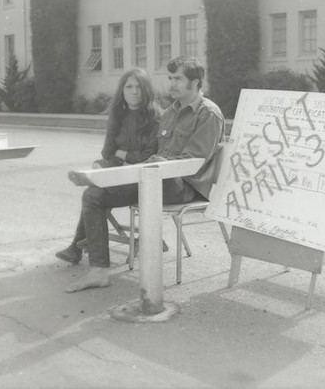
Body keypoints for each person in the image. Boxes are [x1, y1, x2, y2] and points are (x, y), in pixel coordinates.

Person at [60, 55, 225, 293]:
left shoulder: (208, 114)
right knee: (94, 194)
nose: (172, 84)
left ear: (196, 81)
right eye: (170, 78)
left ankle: (96, 224)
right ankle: (99, 270)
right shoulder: (170, 112)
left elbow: (194, 163)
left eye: (178, 79)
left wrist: (154, 164)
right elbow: (153, 154)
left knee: (107, 186)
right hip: (157, 178)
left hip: (185, 187)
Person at [56, 68, 159, 266]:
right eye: (129, 87)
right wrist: (118, 159)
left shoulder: (155, 118)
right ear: (122, 90)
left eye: (139, 87)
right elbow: (107, 151)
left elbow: (148, 157)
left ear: (146, 90)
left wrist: (123, 155)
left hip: (142, 181)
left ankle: (80, 246)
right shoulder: (118, 115)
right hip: (118, 173)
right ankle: (84, 244)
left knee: (93, 193)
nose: (134, 91)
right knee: (95, 187)